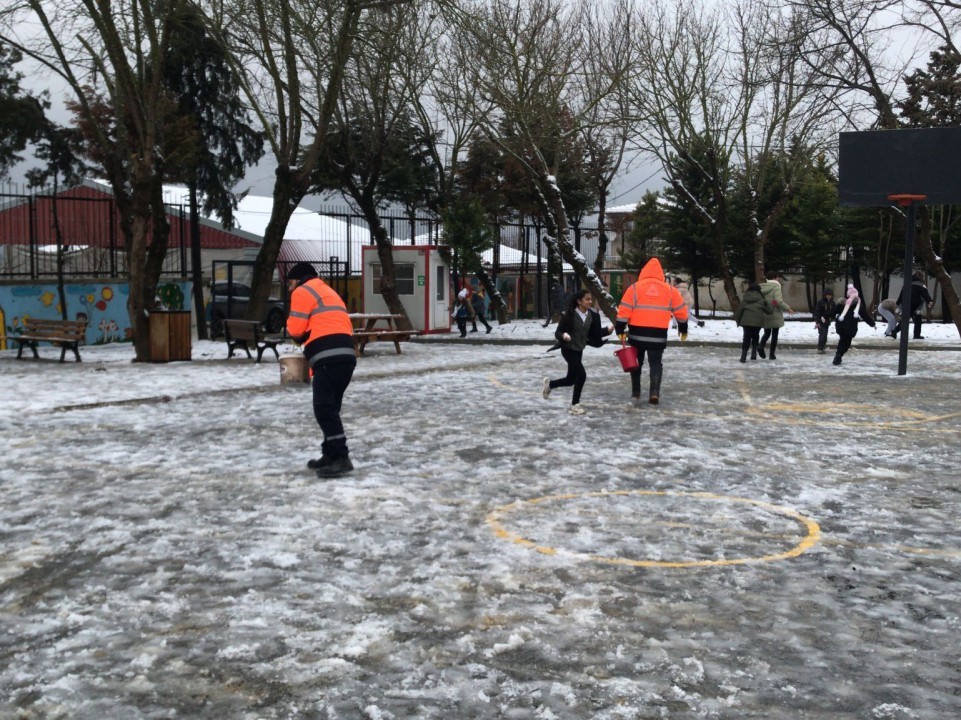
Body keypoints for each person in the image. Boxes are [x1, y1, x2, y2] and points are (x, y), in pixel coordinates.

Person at [286, 262, 357, 478]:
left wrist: (296, 333)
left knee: (324, 409)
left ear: (297, 279)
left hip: (328, 356)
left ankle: (341, 457)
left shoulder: (302, 291)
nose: (290, 288)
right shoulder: (327, 290)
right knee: (331, 408)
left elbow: (296, 330)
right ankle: (330, 454)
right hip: (346, 354)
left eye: (289, 283)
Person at [615, 257, 688, 405]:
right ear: (660, 274)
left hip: (636, 334)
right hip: (658, 335)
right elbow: (681, 311)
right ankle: (654, 393)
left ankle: (636, 392)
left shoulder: (634, 288)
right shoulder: (670, 290)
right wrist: (683, 328)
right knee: (655, 363)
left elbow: (624, 310)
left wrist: (620, 328)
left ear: (643, 272)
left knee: (636, 363)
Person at [542, 289, 613, 414]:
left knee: (570, 380)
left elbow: (593, 334)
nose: (590, 302)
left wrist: (607, 330)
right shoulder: (569, 315)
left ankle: (550, 384)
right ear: (579, 301)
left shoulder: (592, 316)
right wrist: (563, 335)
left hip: (579, 349)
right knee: (581, 375)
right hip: (568, 349)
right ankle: (575, 405)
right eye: (587, 299)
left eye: (591, 299)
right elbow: (558, 332)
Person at [832, 284, 875, 366]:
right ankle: (839, 355)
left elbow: (832, 312)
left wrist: (823, 317)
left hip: (841, 326)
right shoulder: (857, 306)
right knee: (846, 343)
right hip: (849, 328)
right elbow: (865, 316)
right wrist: (872, 324)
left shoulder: (842, 304)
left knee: (842, 341)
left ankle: (838, 355)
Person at [758, 270, 793, 360]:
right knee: (775, 334)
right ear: (775, 278)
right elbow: (777, 301)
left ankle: (761, 346)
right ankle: (772, 354)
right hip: (774, 312)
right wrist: (787, 308)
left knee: (767, 332)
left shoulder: (761, 287)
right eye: (777, 277)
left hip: (764, 311)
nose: (778, 279)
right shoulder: (776, 287)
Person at [734, 282, 772, 362]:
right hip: (757, 322)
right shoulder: (761, 300)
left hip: (746, 322)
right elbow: (769, 311)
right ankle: (754, 354)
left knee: (746, 338)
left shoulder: (745, 299)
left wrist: (738, 321)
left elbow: (739, 311)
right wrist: (767, 303)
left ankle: (743, 356)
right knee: (755, 336)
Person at [892, 271, 934, 340]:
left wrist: (898, 302)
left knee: (909, 318)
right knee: (914, 319)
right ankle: (914, 334)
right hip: (915, 304)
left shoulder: (907, 283)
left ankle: (897, 331)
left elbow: (902, 293)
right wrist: (929, 301)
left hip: (905, 303)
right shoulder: (921, 285)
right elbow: (925, 294)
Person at [813, 288, 836, 354]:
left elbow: (834, 311)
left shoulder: (832, 302)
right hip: (821, 321)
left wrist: (833, 318)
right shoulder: (821, 302)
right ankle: (820, 348)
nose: (829, 296)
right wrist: (817, 321)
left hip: (827, 321)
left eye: (830, 295)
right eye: (827, 295)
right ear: (825, 295)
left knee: (825, 335)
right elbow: (817, 312)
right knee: (822, 334)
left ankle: (822, 347)